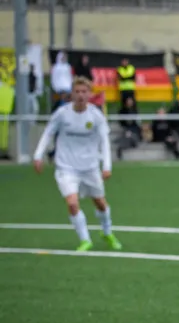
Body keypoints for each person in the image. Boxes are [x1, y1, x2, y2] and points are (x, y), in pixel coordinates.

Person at [32, 77, 122, 252]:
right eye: (77, 91)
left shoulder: (96, 116)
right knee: (72, 203)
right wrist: (38, 156)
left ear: (89, 94)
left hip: (90, 167)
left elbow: (105, 141)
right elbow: (48, 133)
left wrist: (107, 166)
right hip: (66, 167)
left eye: (84, 92)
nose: (81, 95)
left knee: (101, 203)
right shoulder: (62, 114)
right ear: (71, 94)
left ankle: (107, 232)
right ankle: (85, 240)